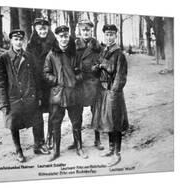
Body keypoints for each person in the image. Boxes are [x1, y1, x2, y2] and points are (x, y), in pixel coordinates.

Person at [0, 29, 50, 163]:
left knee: (37, 121)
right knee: (14, 124)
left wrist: (40, 96)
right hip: (13, 98)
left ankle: (38, 145)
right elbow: (0, 83)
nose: (18, 42)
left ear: (24, 41)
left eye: (21, 40)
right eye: (16, 39)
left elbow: (37, 78)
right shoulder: (4, 58)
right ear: (11, 41)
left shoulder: (29, 56)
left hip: (29, 96)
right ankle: (18, 150)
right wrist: (2, 103)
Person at [44, 25, 88, 161]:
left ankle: (79, 147)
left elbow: (82, 72)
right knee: (55, 123)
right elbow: (45, 73)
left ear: (69, 37)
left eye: (66, 36)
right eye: (61, 36)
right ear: (56, 37)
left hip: (74, 93)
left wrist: (75, 78)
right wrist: (56, 79)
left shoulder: (74, 53)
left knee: (76, 122)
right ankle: (56, 151)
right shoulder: (51, 54)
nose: (64, 39)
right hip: (57, 95)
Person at [91, 24, 129, 167]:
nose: (109, 37)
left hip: (113, 92)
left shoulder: (119, 54)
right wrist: (97, 67)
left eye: (111, 34)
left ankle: (117, 153)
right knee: (107, 122)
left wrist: (114, 91)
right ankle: (111, 148)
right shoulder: (104, 51)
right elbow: (96, 68)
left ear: (116, 36)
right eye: (106, 34)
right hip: (103, 91)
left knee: (116, 123)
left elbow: (121, 76)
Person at [66, 20, 104, 151]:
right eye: (83, 30)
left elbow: (103, 64)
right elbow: (69, 65)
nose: (86, 32)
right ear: (79, 31)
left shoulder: (98, 47)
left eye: (88, 30)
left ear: (91, 31)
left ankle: (97, 140)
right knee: (76, 115)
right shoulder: (73, 47)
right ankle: (77, 141)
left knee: (96, 113)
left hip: (94, 84)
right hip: (78, 84)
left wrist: (98, 68)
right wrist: (75, 74)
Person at [26, 18, 56, 150]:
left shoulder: (55, 43)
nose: (42, 31)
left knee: (53, 112)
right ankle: (39, 142)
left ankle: (51, 138)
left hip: (51, 84)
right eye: (39, 29)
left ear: (48, 29)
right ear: (35, 30)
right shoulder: (30, 45)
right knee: (36, 114)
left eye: (45, 28)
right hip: (37, 84)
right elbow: (28, 67)